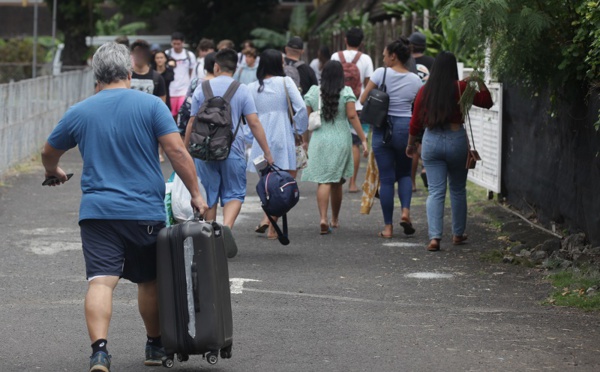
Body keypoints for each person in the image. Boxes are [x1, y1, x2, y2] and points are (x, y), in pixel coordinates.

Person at [41, 42, 208, 372]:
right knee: (149, 281)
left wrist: (53, 171)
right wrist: (196, 194)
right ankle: (154, 346)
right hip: (143, 211)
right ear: (129, 73)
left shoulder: (80, 111)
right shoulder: (150, 106)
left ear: (97, 77)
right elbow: (176, 152)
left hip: (97, 213)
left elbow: (49, 151)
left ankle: (100, 352)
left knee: (101, 282)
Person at [406, 51, 493, 252]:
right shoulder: (462, 88)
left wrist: (411, 144)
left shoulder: (425, 90)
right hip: (456, 140)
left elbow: (415, 122)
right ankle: (457, 233)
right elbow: (487, 102)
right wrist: (478, 82)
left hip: (432, 141)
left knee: (436, 191)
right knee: (457, 188)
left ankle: (435, 238)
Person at [184, 48, 274, 229]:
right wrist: (267, 152)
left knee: (208, 195)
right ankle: (226, 227)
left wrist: (186, 151)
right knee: (234, 193)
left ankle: (209, 236)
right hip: (233, 149)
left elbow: (192, 122)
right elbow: (254, 122)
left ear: (216, 66)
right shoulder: (242, 89)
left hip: (205, 151)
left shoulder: (202, 88)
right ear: (235, 68)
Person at [360, 38, 422, 239]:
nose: (384, 58)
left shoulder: (381, 73)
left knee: (386, 179)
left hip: (383, 127)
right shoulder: (415, 80)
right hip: (406, 128)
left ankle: (388, 227)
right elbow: (417, 107)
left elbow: (362, 99)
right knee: (404, 174)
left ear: (393, 56)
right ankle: (405, 212)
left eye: (386, 54)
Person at [246, 49, 308, 239]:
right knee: (284, 183)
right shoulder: (285, 82)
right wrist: (299, 129)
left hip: (260, 137)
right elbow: (301, 109)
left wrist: (248, 137)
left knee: (267, 182)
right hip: (282, 135)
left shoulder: (251, 87)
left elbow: (247, 116)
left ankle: (269, 219)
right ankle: (271, 221)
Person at [302, 60, 368, 235]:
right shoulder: (346, 92)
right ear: (341, 75)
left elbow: (306, 120)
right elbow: (352, 116)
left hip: (319, 139)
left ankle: (323, 219)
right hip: (340, 138)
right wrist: (363, 139)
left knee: (323, 180)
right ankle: (335, 219)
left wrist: (304, 140)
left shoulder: (313, 92)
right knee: (337, 181)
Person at [331, 27, 375, 193]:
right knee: (355, 145)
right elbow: (369, 83)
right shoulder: (366, 59)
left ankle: (336, 177)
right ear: (361, 43)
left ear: (345, 40)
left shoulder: (336, 56)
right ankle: (352, 183)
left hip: (337, 105)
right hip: (357, 106)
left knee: (337, 142)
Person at [408, 31, 435, 191]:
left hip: (410, 106)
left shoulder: (405, 62)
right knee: (427, 140)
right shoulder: (432, 61)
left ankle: (411, 183)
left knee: (412, 145)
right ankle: (426, 169)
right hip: (428, 106)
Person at [165, 32, 197, 120]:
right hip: (170, 89)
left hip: (184, 90)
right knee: (170, 115)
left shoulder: (189, 55)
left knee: (183, 114)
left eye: (178, 44)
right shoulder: (166, 54)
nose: (176, 46)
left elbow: (191, 71)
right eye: (174, 44)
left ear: (183, 43)